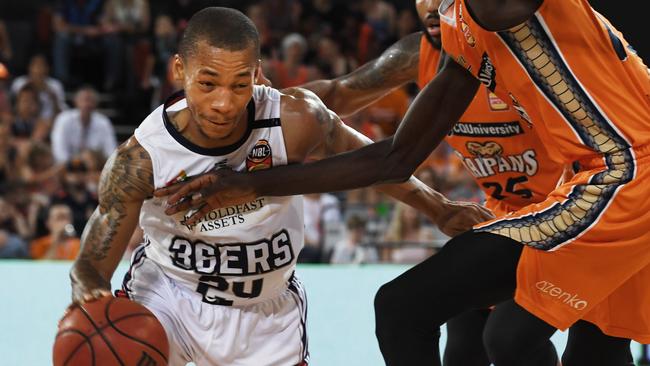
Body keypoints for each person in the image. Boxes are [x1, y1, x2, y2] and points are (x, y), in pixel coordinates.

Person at [157, 1, 650, 365]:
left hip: (622, 177)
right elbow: (394, 158)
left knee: (512, 334)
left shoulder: (503, 9)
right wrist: (250, 178)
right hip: (577, 195)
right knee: (437, 316)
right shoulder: (459, 40)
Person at [69, 7, 491, 366]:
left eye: (239, 85)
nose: (224, 102)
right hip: (169, 297)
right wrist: (89, 292)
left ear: (257, 74)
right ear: (180, 70)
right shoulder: (142, 158)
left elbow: (374, 164)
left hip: (266, 311)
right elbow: (92, 262)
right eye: (208, 83)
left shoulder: (295, 119)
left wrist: (440, 209)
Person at [50, 86, 117, 163]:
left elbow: (110, 152)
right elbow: (59, 151)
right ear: (76, 101)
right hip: (67, 166)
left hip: (96, 166)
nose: (87, 104)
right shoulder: (63, 119)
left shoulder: (103, 122)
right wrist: (75, 162)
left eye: (90, 101)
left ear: (96, 104)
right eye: (84, 100)